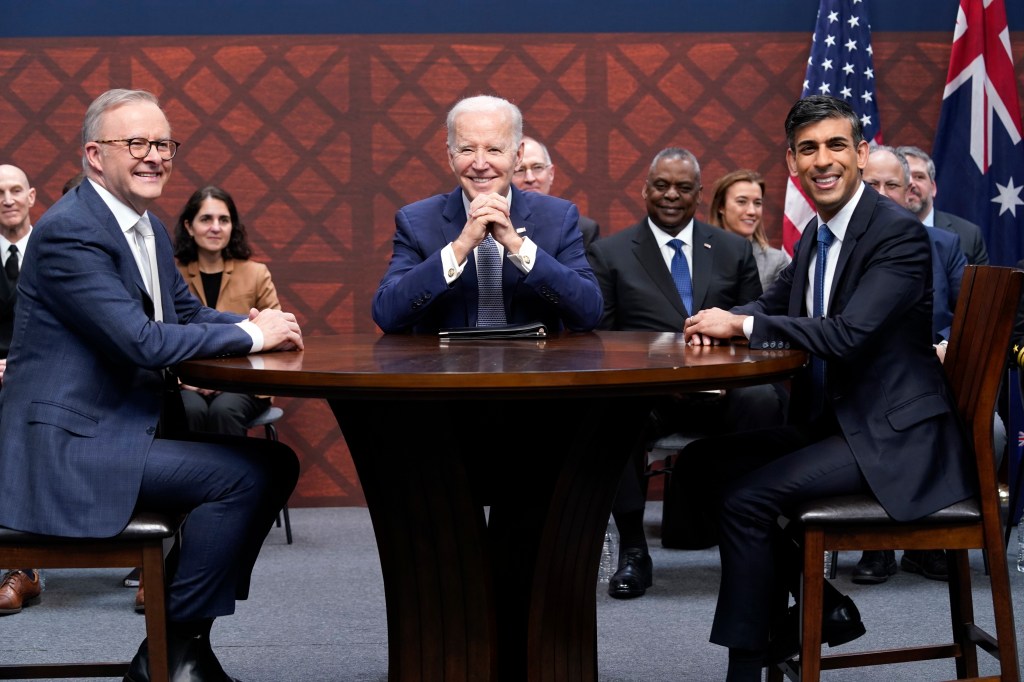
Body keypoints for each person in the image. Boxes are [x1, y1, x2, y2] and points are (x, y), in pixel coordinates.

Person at [0, 88, 304, 682]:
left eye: (163, 143)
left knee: (273, 467)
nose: (154, 155)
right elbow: (140, 340)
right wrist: (252, 337)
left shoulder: (149, 228)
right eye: (135, 142)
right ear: (95, 155)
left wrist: (257, 324)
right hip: (66, 448)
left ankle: (174, 649)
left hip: (118, 429)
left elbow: (185, 318)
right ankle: (175, 651)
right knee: (245, 475)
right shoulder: (71, 232)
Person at [681, 95, 973, 680]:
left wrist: (739, 325)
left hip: (895, 438)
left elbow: (848, 335)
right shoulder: (818, 234)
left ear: (862, 154)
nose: (823, 160)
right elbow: (771, 303)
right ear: (791, 162)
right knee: (700, 465)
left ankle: (749, 665)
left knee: (746, 501)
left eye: (836, 145)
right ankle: (829, 610)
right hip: (840, 424)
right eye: (808, 149)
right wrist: (710, 322)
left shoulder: (898, 235)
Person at [587, 148, 781, 599]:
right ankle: (635, 551)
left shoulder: (733, 249)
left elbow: (755, 323)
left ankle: (752, 541)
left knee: (766, 398)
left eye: (682, 187)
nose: (670, 195)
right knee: (611, 411)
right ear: (644, 190)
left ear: (698, 194)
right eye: (661, 185)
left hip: (725, 392)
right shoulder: (611, 253)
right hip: (651, 397)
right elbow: (602, 340)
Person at [372, 94, 602, 334]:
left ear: (518, 155)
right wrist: (459, 247)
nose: (480, 163)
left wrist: (516, 245)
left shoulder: (558, 217)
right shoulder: (416, 221)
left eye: (494, 149)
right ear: (450, 156)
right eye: (467, 149)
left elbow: (588, 313)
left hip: (534, 368)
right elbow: (387, 315)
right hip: (445, 368)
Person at [174, 185, 279, 436]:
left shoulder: (256, 274)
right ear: (189, 226)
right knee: (190, 410)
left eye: (224, 220)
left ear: (233, 227)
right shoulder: (172, 276)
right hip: (187, 383)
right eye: (206, 219)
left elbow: (277, 334)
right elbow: (156, 333)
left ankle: (232, 476)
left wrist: (231, 379)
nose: (216, 227)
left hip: (246, 384)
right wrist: (182, 381)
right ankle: (187, 476)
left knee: (224, 410)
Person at [0, 164, 41, 617]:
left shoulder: (56, 251)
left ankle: (22, 568)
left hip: (45, 375)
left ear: (31, 197)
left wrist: (24, 367)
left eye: (16, 190)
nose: (7, 199)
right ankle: (19, 563)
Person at [898, 145, 989, 266]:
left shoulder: (969, 235)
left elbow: (980, 285)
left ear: (933, 188)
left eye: (919, 177)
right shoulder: (878, 230)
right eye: (905, 177)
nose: (911, 183)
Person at [708, 169, 791, 292]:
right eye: (742, 202)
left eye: (757, 203)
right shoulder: (698, 253)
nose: (752, 211)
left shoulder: (776, 261)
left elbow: (780, 309)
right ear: (721, 207)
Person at [512, 135, 600, 249]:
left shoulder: (581, 229)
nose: (530, 178)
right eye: (519, 170)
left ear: (551, 174)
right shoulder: (497, 225)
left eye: (537, 167)